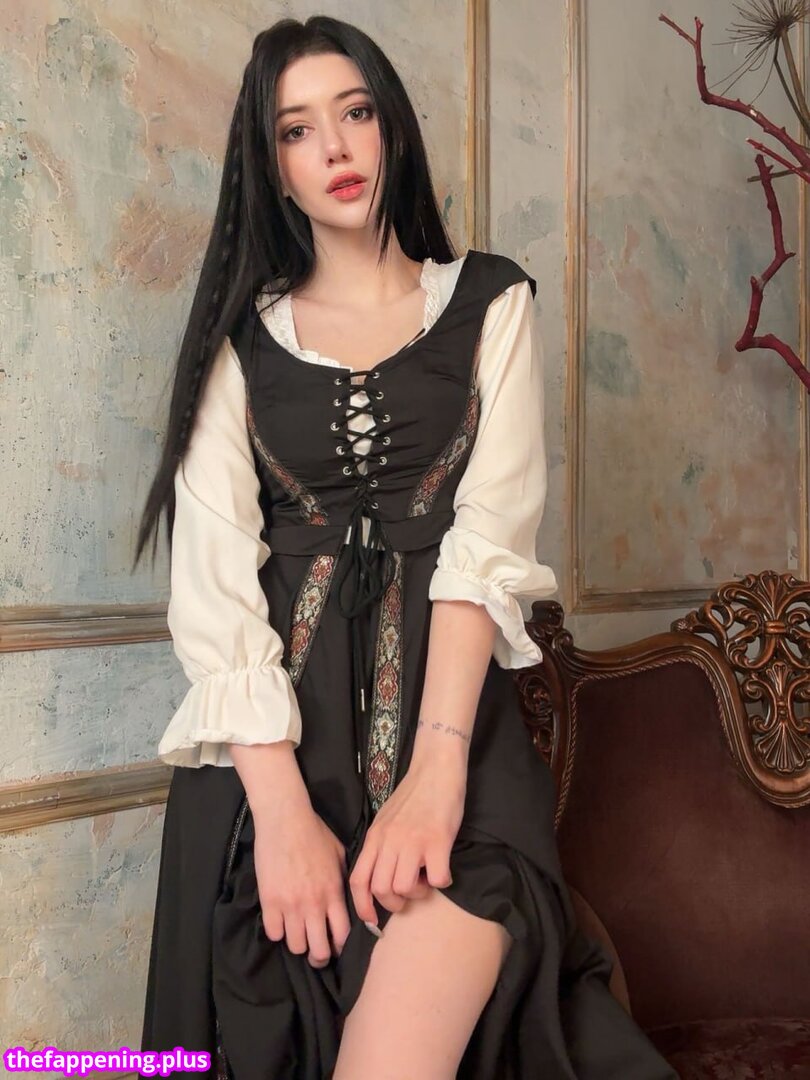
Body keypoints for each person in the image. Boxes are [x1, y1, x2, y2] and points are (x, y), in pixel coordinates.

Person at [133, 14, 678, 1080]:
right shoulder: (238, 346)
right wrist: (283, 818)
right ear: (271, 166)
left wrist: (436, 776)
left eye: (355, 113)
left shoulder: (491, 303)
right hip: (269, 781)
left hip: (460, 760)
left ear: (392, 125)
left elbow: (487, 544)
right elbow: (214, 587)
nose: (335, 148)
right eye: (297, 131)